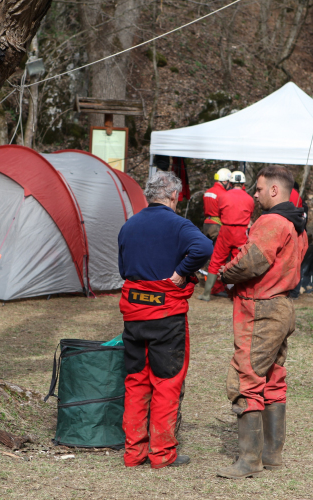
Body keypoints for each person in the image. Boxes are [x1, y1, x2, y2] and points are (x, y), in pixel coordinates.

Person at [215, 165, 308, 479]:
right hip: (283, 307)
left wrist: (225, 274)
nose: (253, 195)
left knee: (246, 378)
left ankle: (250, 460)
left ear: (274, 190)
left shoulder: (270, 221)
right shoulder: (298, 226)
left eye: (257, 189)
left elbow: (253, 260)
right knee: (273, 377)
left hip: (260, 308)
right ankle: (272, 453)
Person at [117, 170, 212, 468]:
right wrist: (182, 271)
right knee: (166, 382)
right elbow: (204, 248)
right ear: (174, 196)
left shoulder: (128, 226)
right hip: (166, 315)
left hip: (133, 314)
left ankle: (133, 454)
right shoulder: (179, 225)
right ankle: (161, 455)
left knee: (135, 382)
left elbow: (123, 269)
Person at [199, 171, 254, 301]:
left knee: (216, 261)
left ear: (230, 183)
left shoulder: (224, 196)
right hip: (241, 233)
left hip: (225, 231)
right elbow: (250, 214)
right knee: (237, 263)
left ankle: (207, 294)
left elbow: (219, 212)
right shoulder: (249, 199)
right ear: (243, 184)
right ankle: (235, 295)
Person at [202, 168, 232, 243]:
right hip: (217, 226)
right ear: (225, 181)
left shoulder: (207, 192)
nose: (230, 185)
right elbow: (226, 212)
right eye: (229, 183)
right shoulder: (224, 194)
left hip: (206, 224)